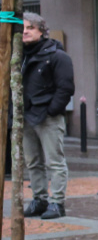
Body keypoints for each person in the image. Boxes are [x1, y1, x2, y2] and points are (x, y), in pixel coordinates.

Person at [21, 13, 74, 220]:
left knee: (55, 161)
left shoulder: (57, 56)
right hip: (25, 117)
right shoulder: (20, 57)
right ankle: (39, 199)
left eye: (30, 28)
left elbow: (66, 87)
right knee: (32, 161)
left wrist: (52, 110)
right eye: (23, 28)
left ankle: (57, 203)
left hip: (48, 117)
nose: (25, 31)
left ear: (41, 31)